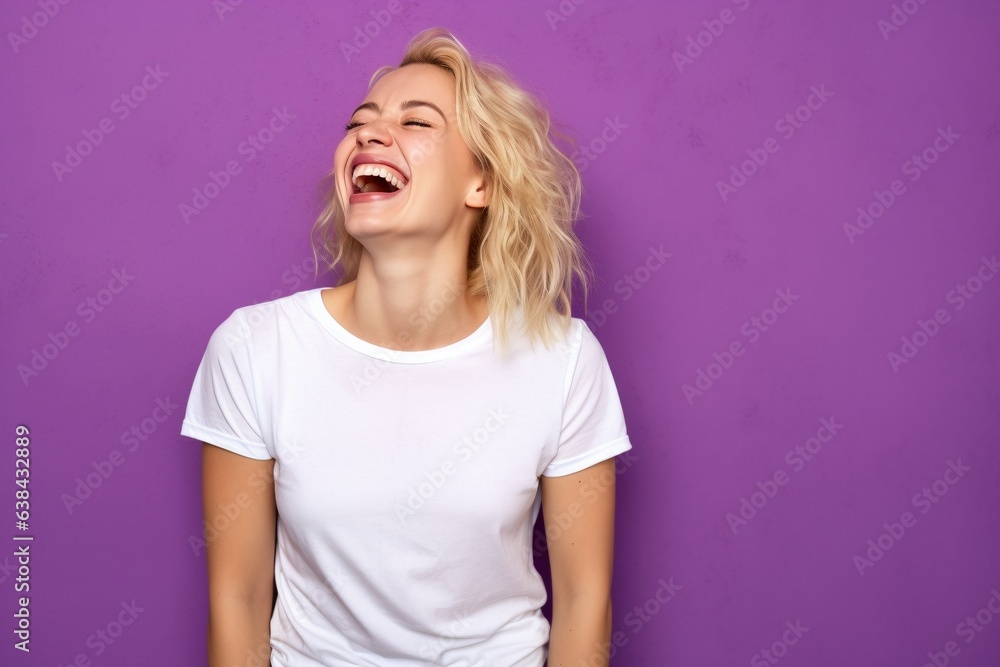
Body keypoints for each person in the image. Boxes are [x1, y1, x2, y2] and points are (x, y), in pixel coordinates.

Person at [180, 26, 632, 667]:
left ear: (482, 184)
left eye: (416, 122)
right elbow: (239, 598)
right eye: (358, 122)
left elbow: (586, 600)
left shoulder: (563, 361)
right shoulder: (255, 349)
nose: (367, 134)